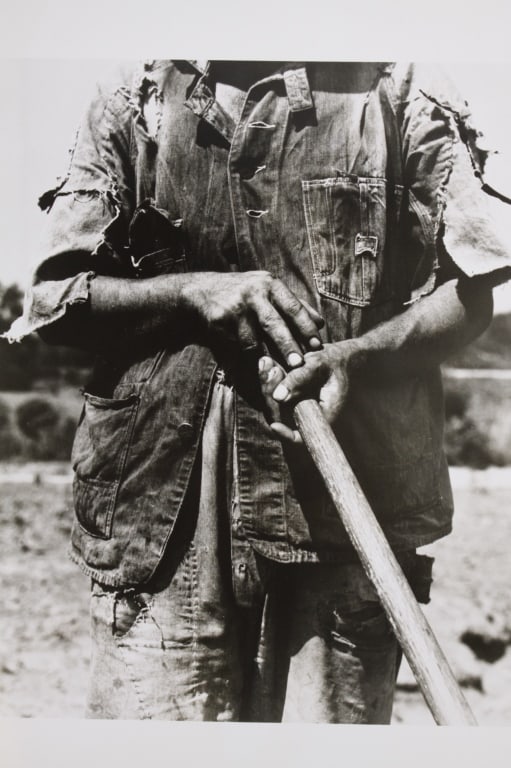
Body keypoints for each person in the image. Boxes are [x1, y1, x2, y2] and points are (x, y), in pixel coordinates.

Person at [6, 60, 511, 723]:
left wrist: (359, 356)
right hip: (160, 512)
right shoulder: (138, 95)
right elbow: (56, 298)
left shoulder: (397, 89)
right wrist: (192, 292)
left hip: (347, 504)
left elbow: (472, 285)